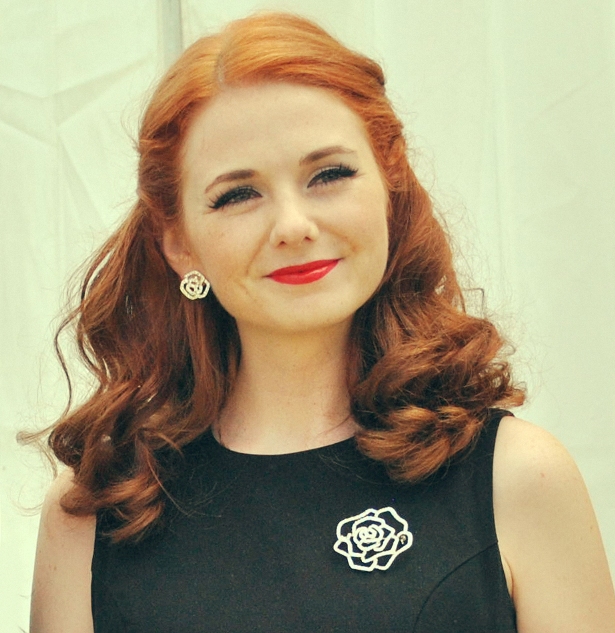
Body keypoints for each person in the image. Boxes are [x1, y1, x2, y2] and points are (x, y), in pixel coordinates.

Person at [29, 12, 615, 633]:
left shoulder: (518, 479)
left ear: (390, 181)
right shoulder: (96, 511)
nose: (293, 225)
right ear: (179, 245)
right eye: (238, 195)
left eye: (329, 175)